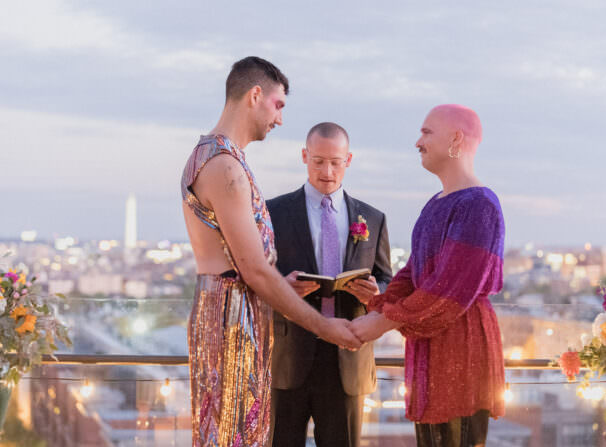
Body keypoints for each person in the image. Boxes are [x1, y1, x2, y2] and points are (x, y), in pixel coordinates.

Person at [181, 57, 361, 447]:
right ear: (255, 95)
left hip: (232, 314)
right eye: (278, 106)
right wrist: (323, 325)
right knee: (232, 437)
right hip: (232, 323)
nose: (279, 120)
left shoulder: (213, 157)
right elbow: (255, 272)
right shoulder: (225, 167)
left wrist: (281, 287)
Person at [350, 105, 506, 447]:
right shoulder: (438, 203)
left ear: (456, 139)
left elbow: (447, 291)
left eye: (426, 132)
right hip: (433, 347)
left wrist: (379, 322)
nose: (417, 142)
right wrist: (380, 303)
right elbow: (415, 274)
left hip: (461, 349)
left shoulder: (479, 205)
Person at [267, 122, 393, 447]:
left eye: (335, 162)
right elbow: (257, 279)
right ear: (304, 156)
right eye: (319, 161)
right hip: (288, 356)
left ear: (348, 160)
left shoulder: (373, 218)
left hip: (348, 358)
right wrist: (282, 286)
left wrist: (376, 293)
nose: (327, 171)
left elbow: (387, 279)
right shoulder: (273, 212)